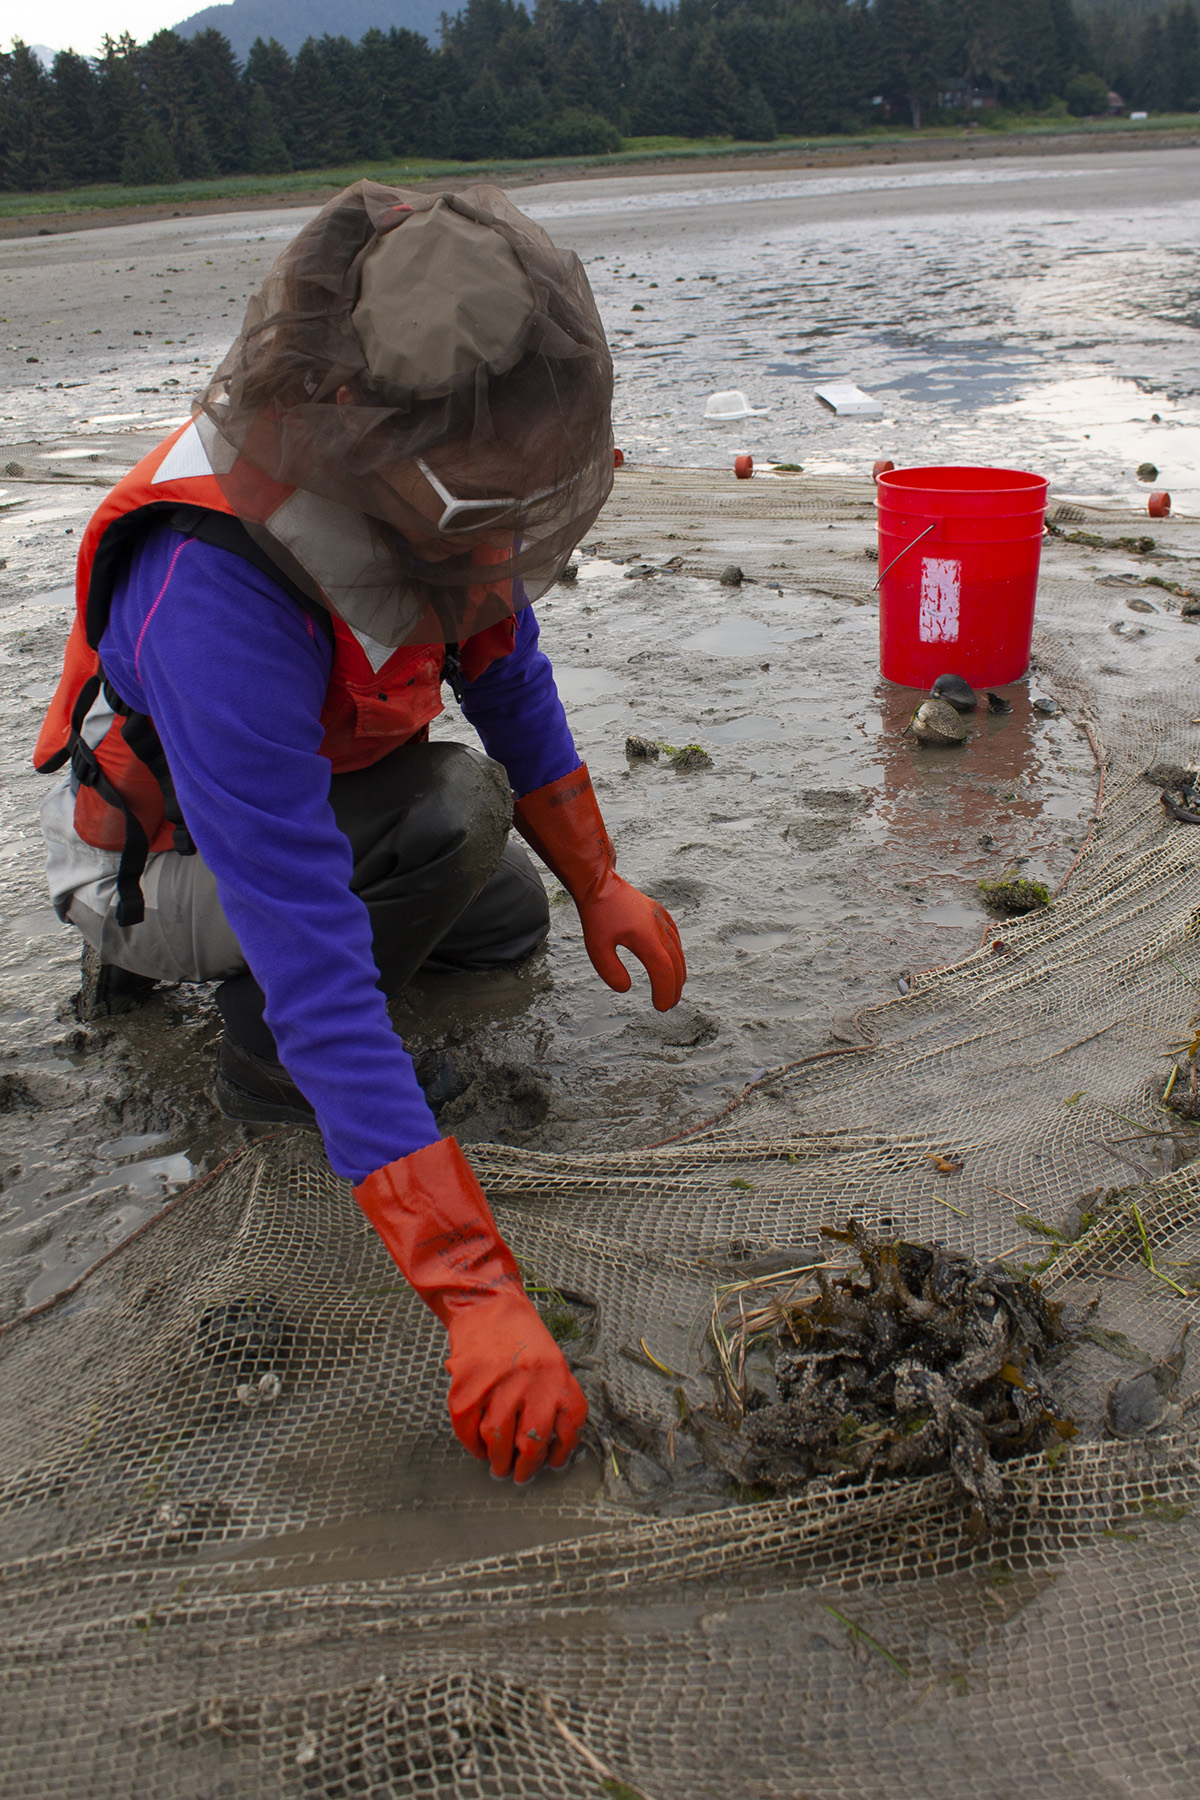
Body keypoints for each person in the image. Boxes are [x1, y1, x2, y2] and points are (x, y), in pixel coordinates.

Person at [33, 181, 686, 1486]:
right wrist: (474, 1290)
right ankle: (262, 1070)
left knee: (502, 905)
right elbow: (321, 956)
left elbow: (507, 677)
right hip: (153, 874)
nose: (509, 533)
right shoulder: (214, 582)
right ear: (365, 431)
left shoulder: (444, 498)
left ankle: (323, 1020)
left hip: (303, 813)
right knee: (449, 822)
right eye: (489, 501)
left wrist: (603, 881)